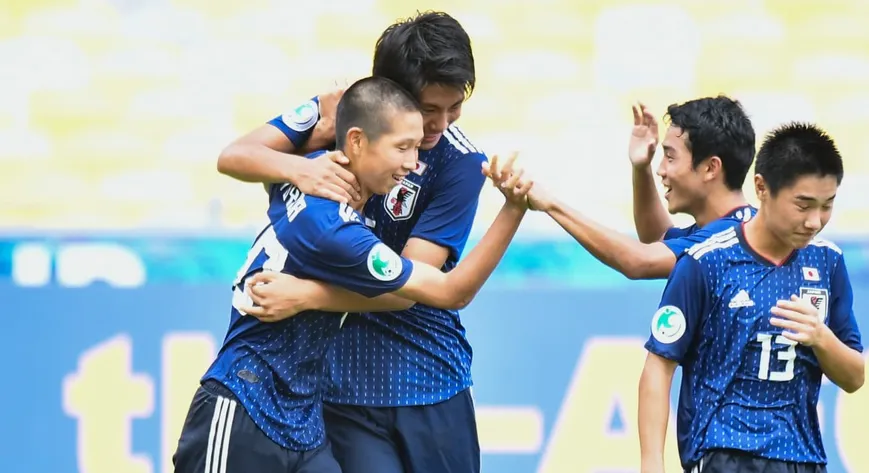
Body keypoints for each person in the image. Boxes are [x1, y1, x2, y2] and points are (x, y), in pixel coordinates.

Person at [172, 77, 531, 473]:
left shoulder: (306, 168)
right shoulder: (339, 233)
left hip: (303, 423)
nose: (413, 164)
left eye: (416, 148)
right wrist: (513, 209)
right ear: (358, 141)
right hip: (245, 401)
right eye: (403, 148)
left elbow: (248, 156)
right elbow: (450, 292)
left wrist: (316, 133)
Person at [216, 12, 492, 473]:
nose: (440, 125)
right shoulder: (345, 112)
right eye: (429, 109)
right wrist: (300, 167)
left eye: (454, 108)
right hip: (341, 386)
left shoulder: (461, 163)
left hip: (428, 376)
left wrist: (308, 296)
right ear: (392, 91)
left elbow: (411, 289)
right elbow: (234, 156)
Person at [638, 122, 865, 473]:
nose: (815, 221)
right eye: (803, 205)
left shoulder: (827, 262)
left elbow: (854, 377)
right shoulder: (705, 262)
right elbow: (659, 364)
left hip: (801, 459)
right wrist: (652, 463)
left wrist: (821, 338)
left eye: (827, 205)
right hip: (722, 454)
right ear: (761, 188)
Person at [520, 96, 757, 279]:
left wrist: (551, 205)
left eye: (670, 157)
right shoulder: (720, 232)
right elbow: (655, 240)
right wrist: (641, 167)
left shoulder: (738, 238)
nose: (661, 170)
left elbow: (640, 261)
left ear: (710, 168)